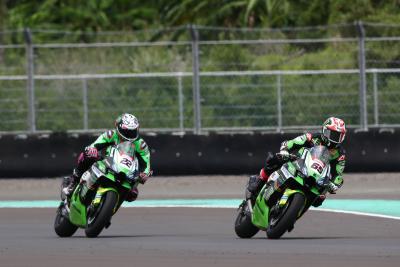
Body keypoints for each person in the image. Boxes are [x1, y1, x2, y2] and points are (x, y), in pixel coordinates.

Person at [247, 117, 346, 203]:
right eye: (332, 134)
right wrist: (285, 150)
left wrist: (334, 184)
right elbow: (293, 142)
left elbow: (338, 174)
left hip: (317, 177)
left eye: (338, 136)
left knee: (320, 199)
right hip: (298, 163)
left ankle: (295, 212)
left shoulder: (339, 154)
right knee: (277, 159)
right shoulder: (312, 137)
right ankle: (260, 179)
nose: (334, 139)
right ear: (325, 131)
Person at [62, 113, 152, 202]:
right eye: (127, 131)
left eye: (133, 131)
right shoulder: (111, 135)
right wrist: (92, 150)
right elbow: (94, 146)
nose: (129, 134)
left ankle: (110, 207)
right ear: (118, 127)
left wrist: (144, 174)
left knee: (132, 195)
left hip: (126, 172)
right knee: (87, 155)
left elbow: (146, 163)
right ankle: (74, 180)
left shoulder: (141, 145)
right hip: (105, 162)